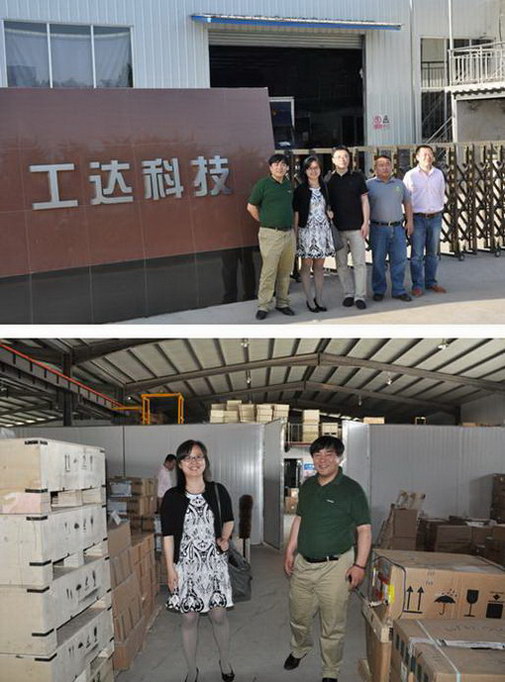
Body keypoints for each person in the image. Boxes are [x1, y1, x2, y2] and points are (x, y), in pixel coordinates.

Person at [283, 435, 372, 682]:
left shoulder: (351, 490)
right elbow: (300, 519)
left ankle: (330, 670)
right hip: (304, 563)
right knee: (298, 615)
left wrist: (360, 565)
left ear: (339, 458)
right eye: (317, 455)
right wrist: (290, 549)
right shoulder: (308, 486)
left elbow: (364, 530)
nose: (322, 460)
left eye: (329, 455)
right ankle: (300, 648)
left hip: (336, 565)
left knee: (332, 623)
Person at [161, 440, 235, 682]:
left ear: (205, 461)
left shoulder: (217, 490)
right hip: (186, 566)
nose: (194, 462)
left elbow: (229, 520)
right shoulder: (172, 497)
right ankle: (192, 669)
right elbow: (168, 536)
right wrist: (170, 569)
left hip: (214, 566)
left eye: (199, 456)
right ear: (180, 464)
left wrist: (224, 538)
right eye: (188, 457)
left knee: (219, 615)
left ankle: (225, 660)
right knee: (189, 618)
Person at [247, 153, 296, 320]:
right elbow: (251, 206)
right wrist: (264, 221)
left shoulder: (288, 184)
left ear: (287, 167)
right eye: (276, 164)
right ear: (270, 167)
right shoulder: (263, 184)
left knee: (285, 271)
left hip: (288, 233)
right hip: (270, 234)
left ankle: (282, 302)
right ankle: (264, 305)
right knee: (269, 271)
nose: (280, 167)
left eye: (283, 164)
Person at [327, 146, 370, 310]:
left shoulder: (357, 177)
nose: (342, 160)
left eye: (345, 156)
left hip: (357, 228)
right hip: (338, 229)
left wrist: (365, 223)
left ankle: (360, 296)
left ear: (349, 159)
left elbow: (365, 201)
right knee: (341, 264)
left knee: (359, 263)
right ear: (333, 160)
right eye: (338, 157)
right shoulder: (328, 180)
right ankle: (348, 293)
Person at [367, 155, 413, 302]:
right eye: (381, 165)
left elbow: (407, 203)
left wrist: (410, 221)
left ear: (392, 166)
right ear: (375, 169)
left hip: (397, 227)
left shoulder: (399, 184)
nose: (385, 167)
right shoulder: (369, 185)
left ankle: (398, 290)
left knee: (399, 260)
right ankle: (379, 290)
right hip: (378, 228)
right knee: (378, 261)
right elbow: (363, 206)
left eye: (387, 164)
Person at [403, 144, 447, 296]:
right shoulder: (410, 175)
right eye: (424, 154)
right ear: (417, 157)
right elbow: (406, 200)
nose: (427, 157)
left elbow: (441, 193)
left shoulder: (439, 174)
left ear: (433, 157)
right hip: (418, 218)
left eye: (430, 154)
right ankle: (417, 285)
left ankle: (431, 282)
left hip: (435, 217)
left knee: (433, 253)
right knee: (417, 254)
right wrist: (409, 220)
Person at [293, 155, 335, 312]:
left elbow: (329, 206)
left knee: (319, 266)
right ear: (305, 171)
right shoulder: (300, 190)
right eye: (310, 168)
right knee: (306, 265)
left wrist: (330, 213)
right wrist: (296, 233)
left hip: (322, 231)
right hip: (306, 231)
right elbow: (296, 213)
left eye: (316, 168)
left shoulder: (325, 187)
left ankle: (319, 297)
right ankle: (309, 299)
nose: (313, 171)